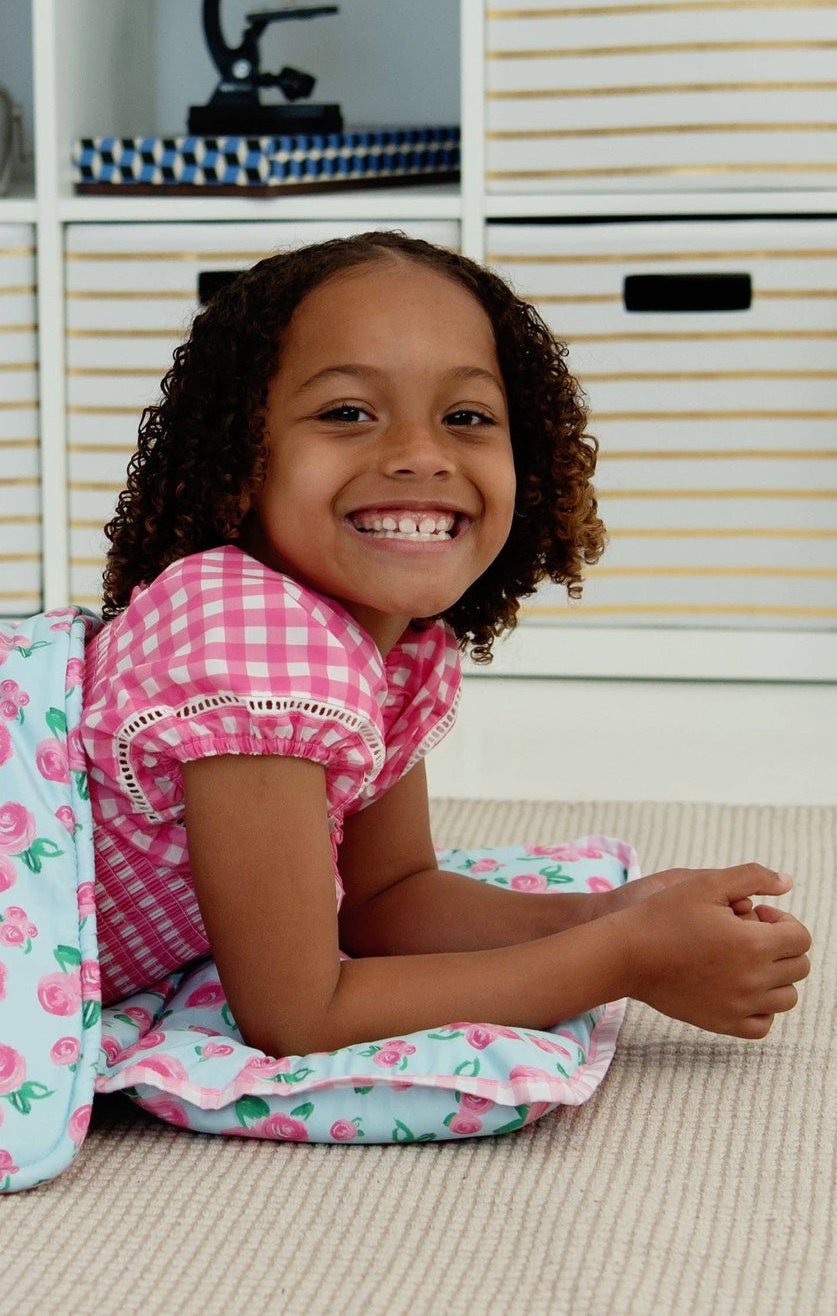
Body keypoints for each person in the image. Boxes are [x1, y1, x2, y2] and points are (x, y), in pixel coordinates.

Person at [78, 231, 811, 1059]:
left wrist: (611, 911)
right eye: (347, 413)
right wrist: (623, 958)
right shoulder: (255, 652)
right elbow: (296, 1014)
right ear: (238, 454)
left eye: (465, 417)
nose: (420, 456)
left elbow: (385, 899)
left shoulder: (389, 645)